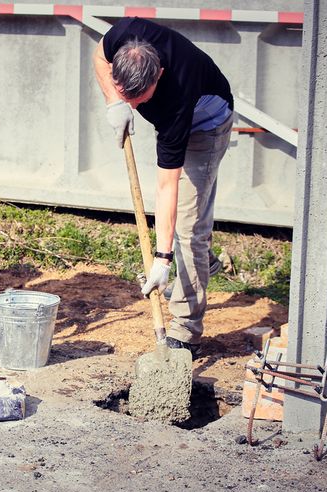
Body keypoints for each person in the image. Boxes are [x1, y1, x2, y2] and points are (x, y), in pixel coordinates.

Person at [93, 17, 233, 358]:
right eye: (131, 97)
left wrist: (162, 258)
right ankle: (200, 264)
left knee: (188, 228)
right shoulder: (123, 36)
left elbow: (166, 186)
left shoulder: (176, 99)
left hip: (207, 125)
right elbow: (98, 56)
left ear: (159, 76)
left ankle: (185, 331)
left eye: (140, 99)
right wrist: (115, 100)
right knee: (188, 233)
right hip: (181, 110)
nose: (136, 107)